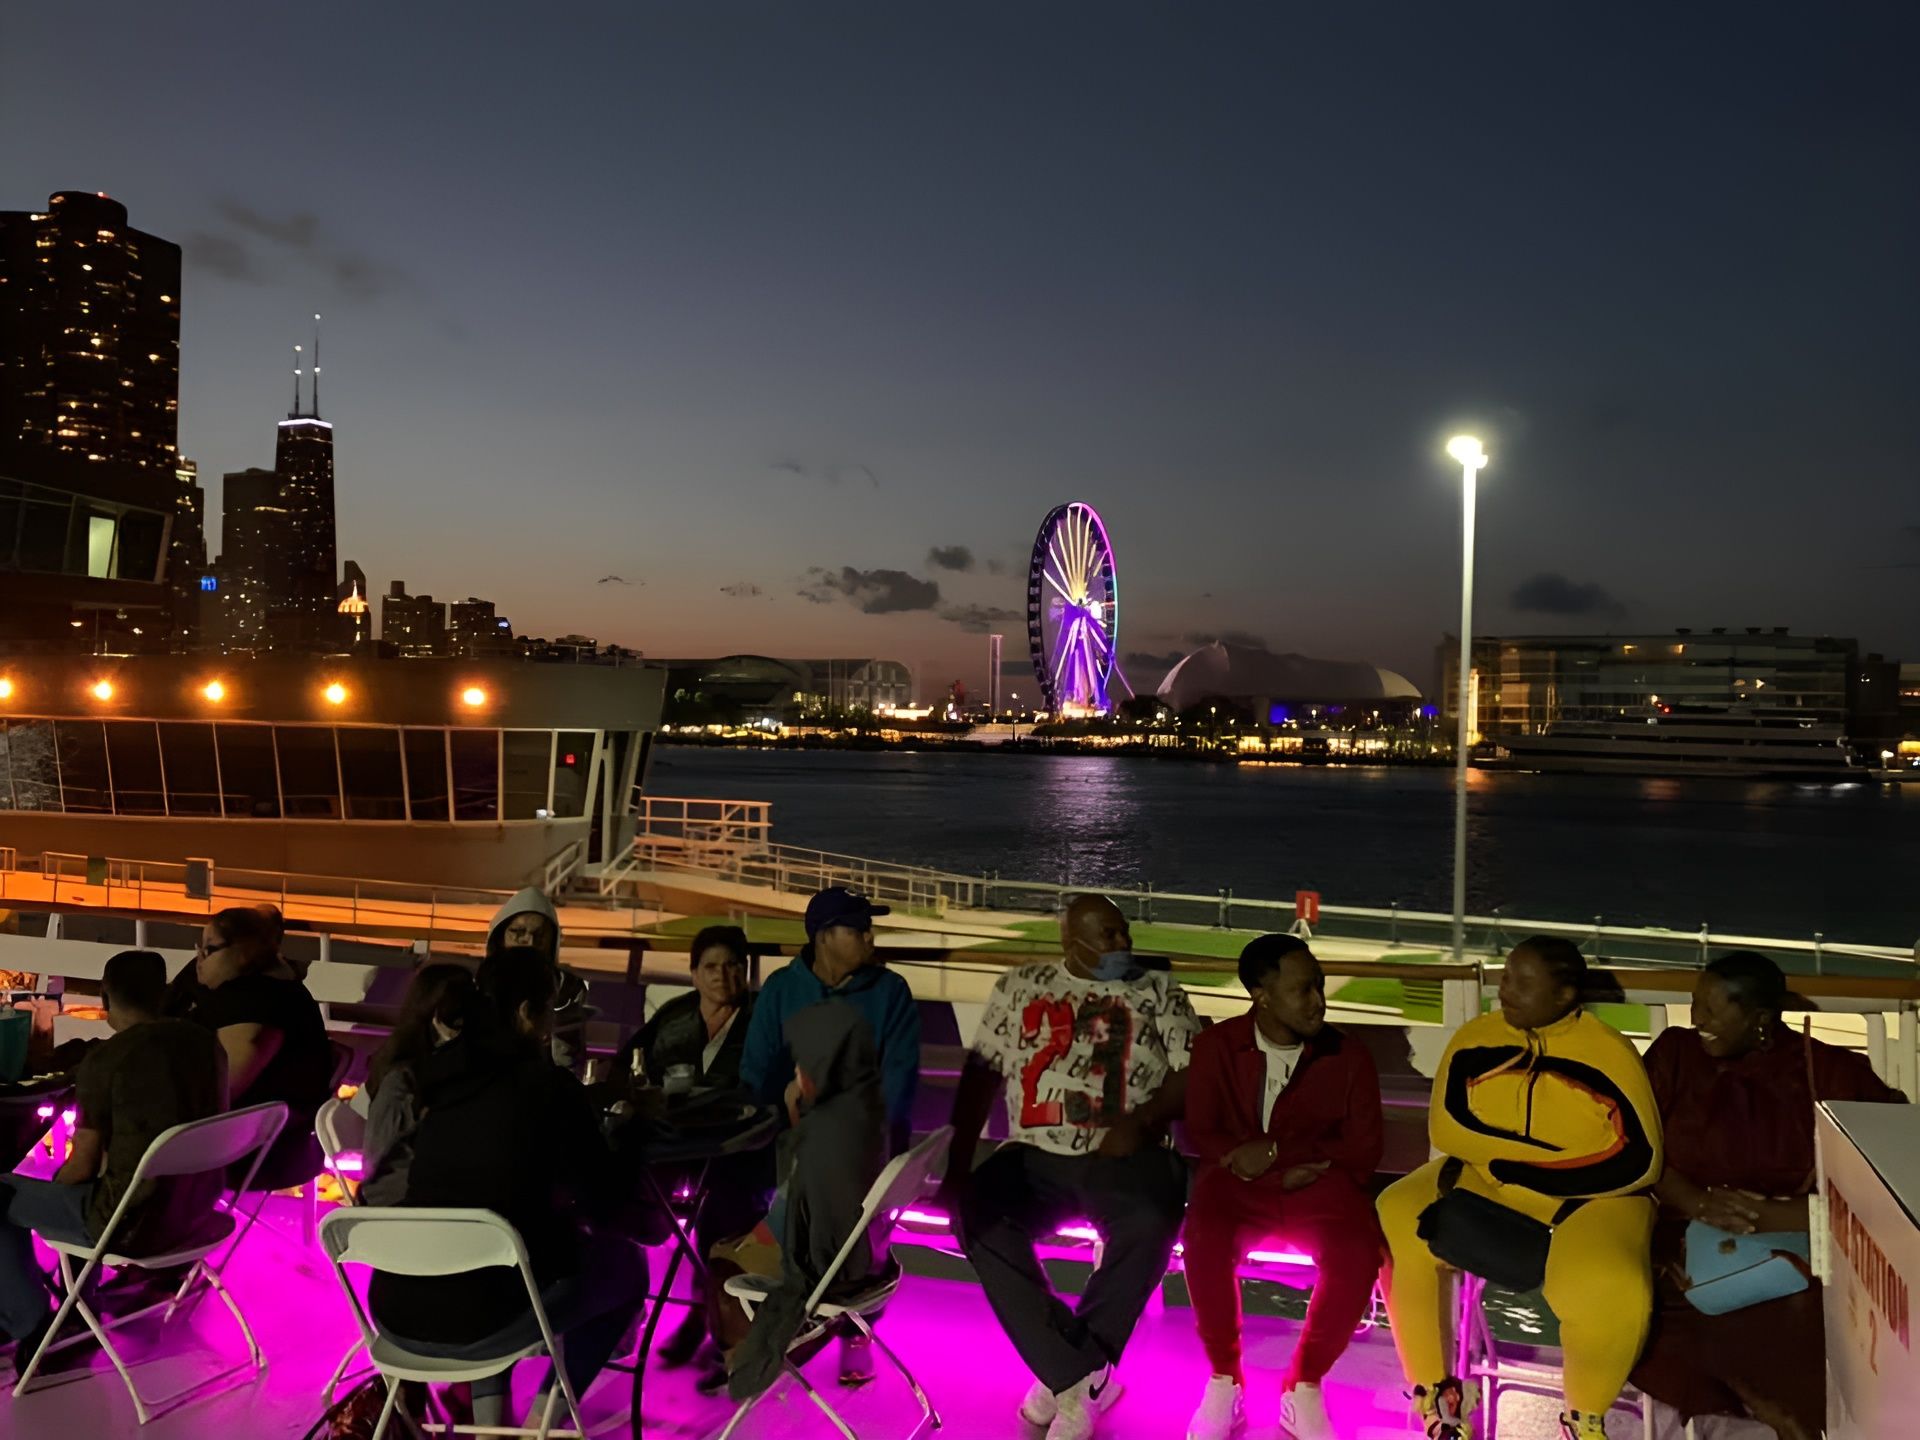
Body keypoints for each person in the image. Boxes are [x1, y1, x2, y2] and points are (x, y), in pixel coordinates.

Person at [1376, 937, 1662, 1440]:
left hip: (1590, 1196)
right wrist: (1512, 1164)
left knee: (1610, 1281)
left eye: (1524, 983)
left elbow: (1640, 1159)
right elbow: (1448, 1128)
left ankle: (1585, 1418)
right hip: (1491, 1179)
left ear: (1565, 994)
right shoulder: (1476, 1039)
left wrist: (1539, 1174)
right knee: (1395, 1210)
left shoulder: (1607, 1053)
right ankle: (1438, 1396)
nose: (1506, 991)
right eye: (1506, 977)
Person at [941, 894, 1201, 1440]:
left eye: (1124, 932)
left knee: (1153, 1219)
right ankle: (1081, 1375)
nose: (1123, 944)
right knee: (976, 1213)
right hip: (1036, 1155)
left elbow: (1192, 1073)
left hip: (1128, 1154)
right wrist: (956, 1166)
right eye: (1108, 935)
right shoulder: (1020, 987)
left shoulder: (1156, 991)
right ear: (1071, 942)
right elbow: (981, 1072)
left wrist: (1142, 1119)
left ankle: (1064, 1377)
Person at [1631, 951, 1905, 1439]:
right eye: (1694, 1004)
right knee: (1673, 1320)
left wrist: (1793, 1215)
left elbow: (1889, 1158)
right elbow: (1631, 1145)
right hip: (1686, 1242)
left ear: (1759, 1019)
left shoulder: (1827, 1071)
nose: (1697, 1019)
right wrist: (1694, 1200)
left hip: (1797, 1249)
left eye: (1712, 1010)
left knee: (1808, 1325)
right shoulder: (1676, 1055)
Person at [368, 948, 645, 1428]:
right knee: (627, 1267)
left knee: (486, 1258)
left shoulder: (435, 1077)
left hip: (396, 1309)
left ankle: (491, 1429)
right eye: (548, 1010)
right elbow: (603, 1198)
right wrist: (628, 1137)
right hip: (481, 1314)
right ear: (525, 1014)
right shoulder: (547, 1086)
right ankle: (545, 1419)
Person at [1182, 935, 1384, 1440]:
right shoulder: (1217, 1046)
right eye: (1303, 990)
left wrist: (1276, 1155)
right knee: (1203, 1238)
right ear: (1262, 994)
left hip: (1318, 1184)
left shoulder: (1349, 1056)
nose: (1319, 1001)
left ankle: (1304, 1384)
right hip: (1237, 1182)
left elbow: (1364, 1148)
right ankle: (1226, 1379)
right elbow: (1202, 1130)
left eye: (1319, 987)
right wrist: (1263, 1163)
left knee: (1358, 1253)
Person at [0, 951, 226, 1369]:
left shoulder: (108, 1060)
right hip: (196, 1214)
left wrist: (48, 1199)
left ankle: (32, 1327)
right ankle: (74, 1314)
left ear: (105, 996)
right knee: (82, 1186)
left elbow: (81, 1167)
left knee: (9, 1195)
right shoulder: (204, 1044)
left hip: (129, 1225)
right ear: (162, 995)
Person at [728, 1002, 890, 1401]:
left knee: (721, 1258)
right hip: (874, 1264)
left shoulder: (826, 1136)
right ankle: (843, 1346)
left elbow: (799, 1204)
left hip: (833, 1275)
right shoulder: (867, 1115)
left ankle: (744, 1364)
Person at [740, 888, 921, 1155]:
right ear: (824, 938)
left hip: (866, 1150)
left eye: (868, 927)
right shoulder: (780, 988)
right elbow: (755, 1075)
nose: (870, 937)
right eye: (858, 929)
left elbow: (898, 1086)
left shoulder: (891, 991)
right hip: (789, 1146)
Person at [187, 906, 332, 1189]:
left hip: (250, 1154)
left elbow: (221, 1090)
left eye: (210, 949)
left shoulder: (252, 1003)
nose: (200, 959)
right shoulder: (283, 992)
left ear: (244, 951)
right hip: (284, 1148)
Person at [359, 963, 480, 1207]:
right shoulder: (402, 1077)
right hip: (401, 1200)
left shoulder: (453, 1063)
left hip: (431, 1190)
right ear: (432, 1014)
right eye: (455, 1014)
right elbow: (374, 1158)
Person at [615, 924, 754, 1090]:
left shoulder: (765, 1015)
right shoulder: (673, 1013)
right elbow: (624, 1063)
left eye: (731, 964)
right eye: (711, 967)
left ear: (745, 969)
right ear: (694, 975)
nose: (721, 975)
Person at [486, 889, 591, 1072]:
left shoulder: (567, 988)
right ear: (500, 936)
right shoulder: (477, 983)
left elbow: (566, 1058)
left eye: (540, 935)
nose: (529, 942)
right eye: (518, 932)